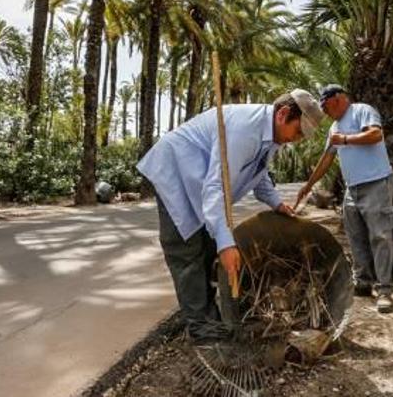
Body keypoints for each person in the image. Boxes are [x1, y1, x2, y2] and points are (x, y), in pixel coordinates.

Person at [137, 90, 324, 343]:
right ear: (283, 115)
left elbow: (259, 174)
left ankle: (204, 314)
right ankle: (202, 330)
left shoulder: (270, 137)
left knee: (206, 250)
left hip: (201, 183)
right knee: (187, 252)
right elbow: (215, 188)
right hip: (178, 172)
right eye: (299, 131)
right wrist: (226, 243)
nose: (298, 139)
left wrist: (276, 203)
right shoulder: (244, 129)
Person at [295, 85, 393, 313]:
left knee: (380, 236)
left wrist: (346, 139)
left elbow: (375, 134)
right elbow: (326, 158)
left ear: (338, 99)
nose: (324, 111)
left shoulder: (362, 111)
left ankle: (385, 291)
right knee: (356, 237)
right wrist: (308, 186)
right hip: (353, 190)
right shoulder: (334, 128)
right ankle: (363, 282)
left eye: (325, 105)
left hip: (376, 184)